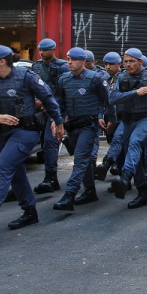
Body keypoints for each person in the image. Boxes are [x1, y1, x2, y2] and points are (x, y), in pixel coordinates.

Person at [0, 45, 64, 240]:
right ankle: (29, 212)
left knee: (1, 170)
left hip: (25, 132)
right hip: (2, 134)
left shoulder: (27, 76)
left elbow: (48, 99)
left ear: (2, 61)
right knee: (16, 174)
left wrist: (58, 123)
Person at [108, 48, 147, 209]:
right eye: (126, 61)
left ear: (140, 62)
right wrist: (136, 92)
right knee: (133, 155)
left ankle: (125, 177)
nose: (128, 64)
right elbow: (112, 98)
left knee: (135, 144)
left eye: (131, 61)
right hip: (128, 120)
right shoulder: (121, 77)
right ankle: (143, 193)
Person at [51, 48, 110, 211]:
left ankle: (69, 194)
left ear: (83, 61)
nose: (69, 62)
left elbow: (106, 100)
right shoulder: (64, 79)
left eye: (73, 59)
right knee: (82, 160)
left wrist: (103, 117)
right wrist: (57, 121)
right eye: (68, 59)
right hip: (73, 125)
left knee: (80, 159)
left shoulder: (95, 79)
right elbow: (58, 103)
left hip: (89, 126)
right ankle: (90, 190)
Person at [30, 38, 69, 194]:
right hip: (38, 110)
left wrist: (53, 107)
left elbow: (65, 91)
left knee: (50, 142)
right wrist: (37, 102)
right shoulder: (36, 67)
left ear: (53, 50)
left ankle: (51, 178)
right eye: (40, 50)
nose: (42, 53)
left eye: (44, 50)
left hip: (56, 110)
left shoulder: (62, 67)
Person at [94, 52, 124, 181]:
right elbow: (101, 100)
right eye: (105, 64)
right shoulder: (104, 79)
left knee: (118, 140)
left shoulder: (124, 77)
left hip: (122, 116)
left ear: (118, 64)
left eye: (111, 64)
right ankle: (118, 166)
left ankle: (107, 163)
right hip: (109, 116)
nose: (107, 67)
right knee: (113, 142)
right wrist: (100, 116)